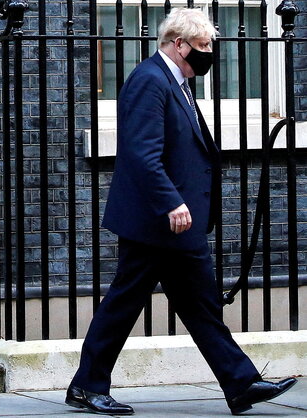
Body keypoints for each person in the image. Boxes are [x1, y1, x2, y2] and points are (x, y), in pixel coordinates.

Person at [64, 8, 297, 416]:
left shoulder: (177, 82)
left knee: (200, 304)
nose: (209, 54)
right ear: (178, 44)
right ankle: (87, 385)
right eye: (203, 46)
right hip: (157, 219)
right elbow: (141, 154)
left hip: (177, 222)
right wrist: (171, 201)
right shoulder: (149, 81)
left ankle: (240, 384)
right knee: (125, 301)